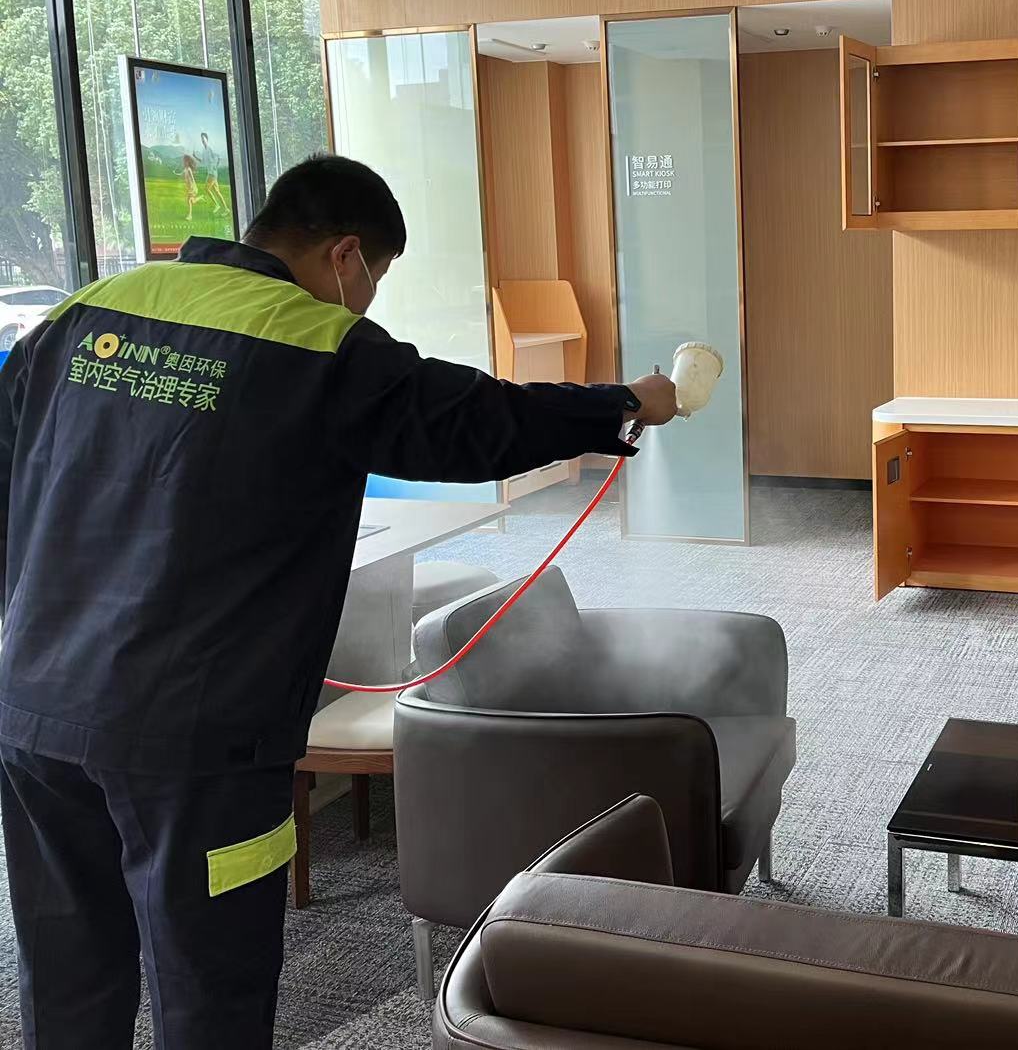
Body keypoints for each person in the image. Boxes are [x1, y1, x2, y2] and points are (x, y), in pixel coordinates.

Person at [0, 153, 676, 1049]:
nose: (366, 301)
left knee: (66, 971)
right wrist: (625, 403)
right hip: (198, 741)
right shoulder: (317, 343)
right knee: (208, 981)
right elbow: (483, 420)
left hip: (33, 713)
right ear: (345, 255)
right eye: (375, 279)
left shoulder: (86, 312)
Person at [196, 131, 230, 216]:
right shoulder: (204, 150)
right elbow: (203, 161)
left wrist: (216, 166)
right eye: (201, 139)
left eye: (203, 138)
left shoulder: (210, 148)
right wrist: (195, 156)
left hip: (212, 173)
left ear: (207, 139)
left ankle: (217, 204)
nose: (202, 140)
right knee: (217, 192)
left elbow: (219, 157)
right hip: (210, 172)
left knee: (206, 189)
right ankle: (226, 209)